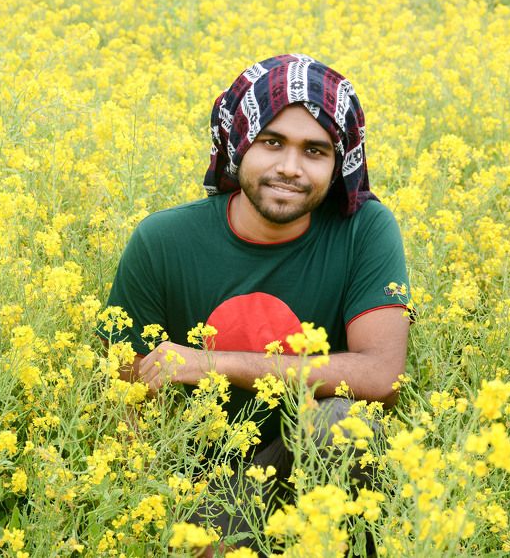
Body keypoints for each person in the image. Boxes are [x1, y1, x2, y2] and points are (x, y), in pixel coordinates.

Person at [97, 53, 410, 548]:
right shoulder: (163, 240)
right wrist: (144, 507)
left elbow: (382, 374)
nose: (290, 167)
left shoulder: (363, 230)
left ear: (338, 163)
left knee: (344, 424)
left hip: (307, 464)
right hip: (196, 486)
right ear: (238, 144)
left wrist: (209, 363)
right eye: (271, 142)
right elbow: (123, 401)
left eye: (315, 151)